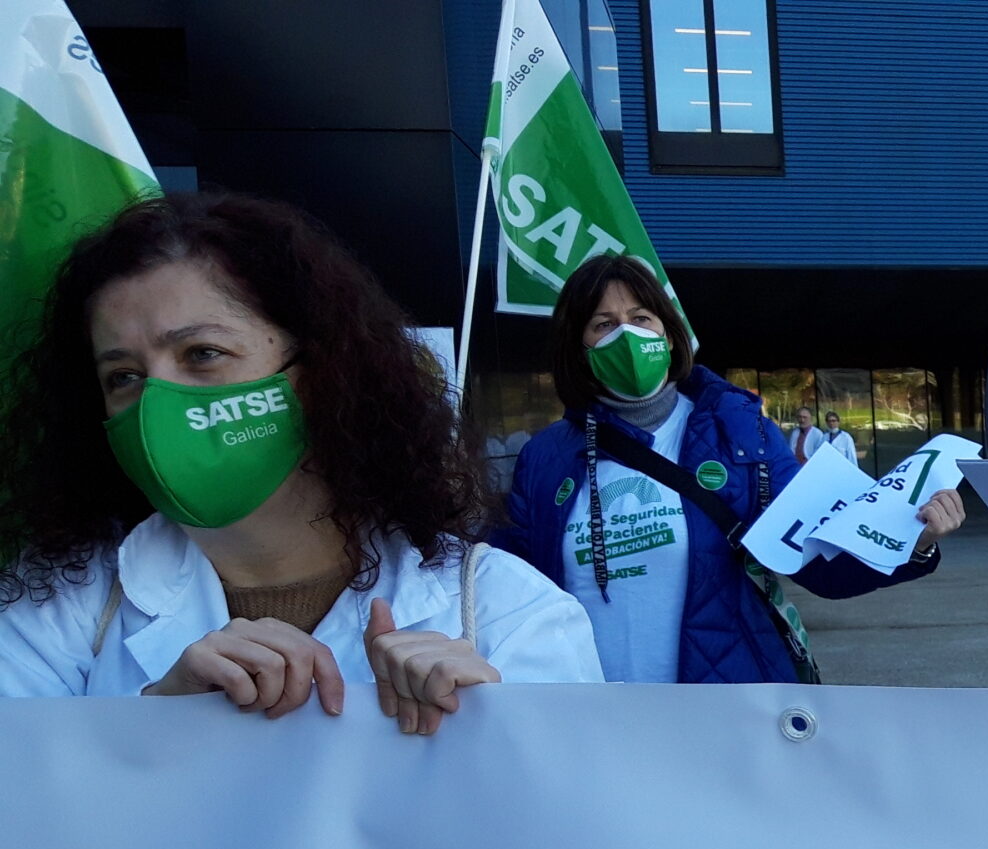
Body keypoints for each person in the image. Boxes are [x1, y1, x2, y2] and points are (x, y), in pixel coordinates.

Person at [0, 193, 601, 728]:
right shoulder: (57, 608)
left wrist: (499, 733)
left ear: (318, 375)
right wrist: (157, 730)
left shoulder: (506, 610)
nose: (158, 401)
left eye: (202, 353)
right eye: (123, 375)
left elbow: (569, 831)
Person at [496, 255, 962, 683]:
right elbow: (512, 592)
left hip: (726, 711)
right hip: (593, 721)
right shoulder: (545, 459)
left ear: (668, 332)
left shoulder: (744, 435)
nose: (627, 335)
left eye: (641, 318)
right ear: (579, 348)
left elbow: (821, 565)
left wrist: (911, 540)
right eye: (604, 324)